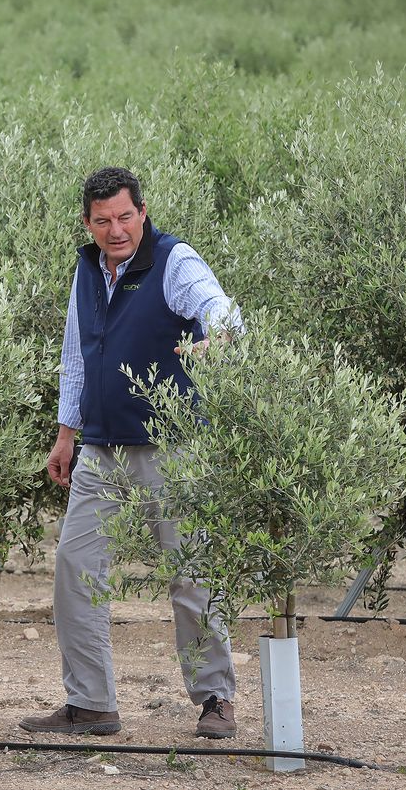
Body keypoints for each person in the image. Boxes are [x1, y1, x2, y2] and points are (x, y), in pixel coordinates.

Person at [19, 167, 243, 739]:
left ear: (142, 212)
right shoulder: (87, 270)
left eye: (124, 216)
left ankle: (215, 697)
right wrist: (67, 433)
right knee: (74, 565)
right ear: (87, 222)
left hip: (174, 445)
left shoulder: (174, 261)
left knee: (190, 572)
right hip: (99, 447)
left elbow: (224, 313)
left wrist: (212, 341)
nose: (115, 229)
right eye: (102, 220)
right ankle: (92, 704)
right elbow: (77, 356)